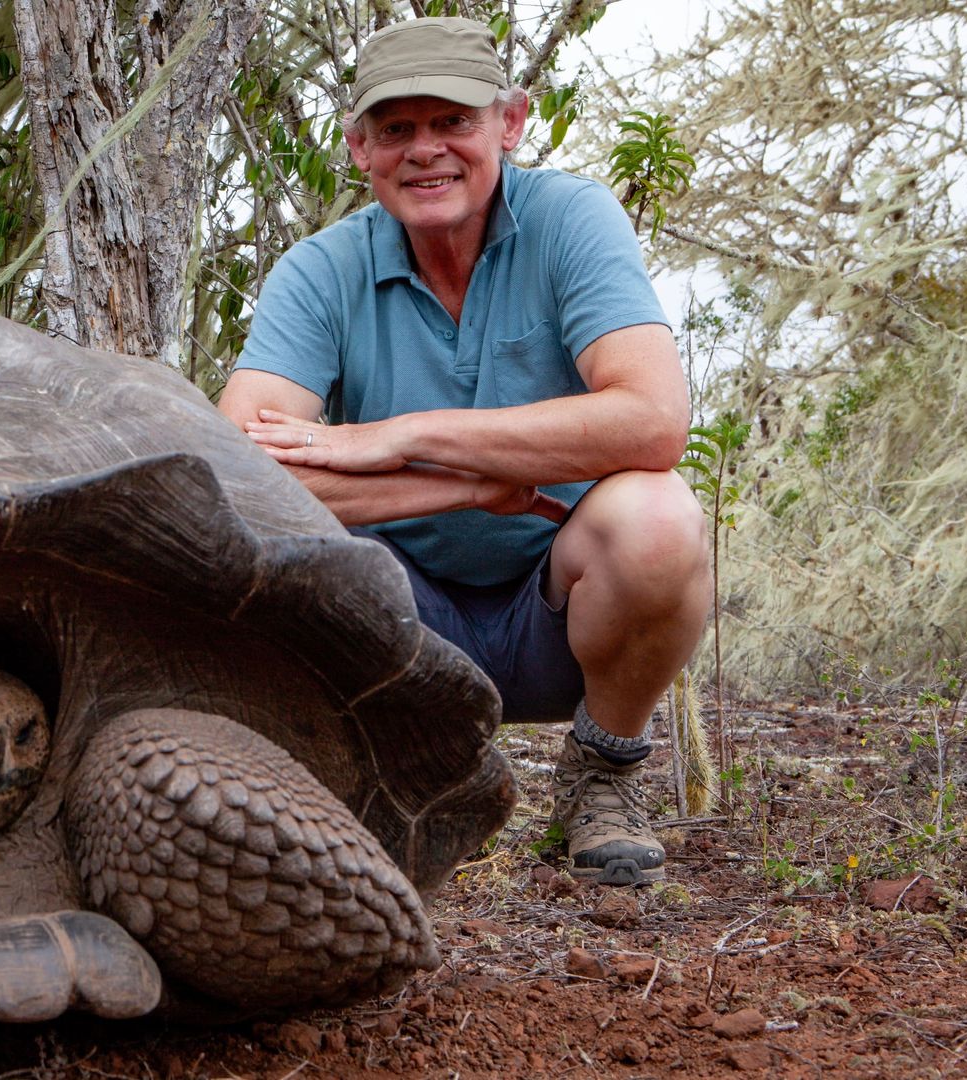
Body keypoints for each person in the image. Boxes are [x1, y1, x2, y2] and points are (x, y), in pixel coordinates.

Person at [217, 16, 711, 886]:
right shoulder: (318, 271)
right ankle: (396, 785)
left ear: (509, 124)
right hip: (402, 623)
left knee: (661, 520)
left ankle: (603, 773)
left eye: (453, 122)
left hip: (557, 612)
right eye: (397, 129)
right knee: (274, 563)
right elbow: (242, 478)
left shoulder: (571, 220)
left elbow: (653, 421)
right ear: (359, 146)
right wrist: (467, 486)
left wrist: (403, 436)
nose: (426, 151)